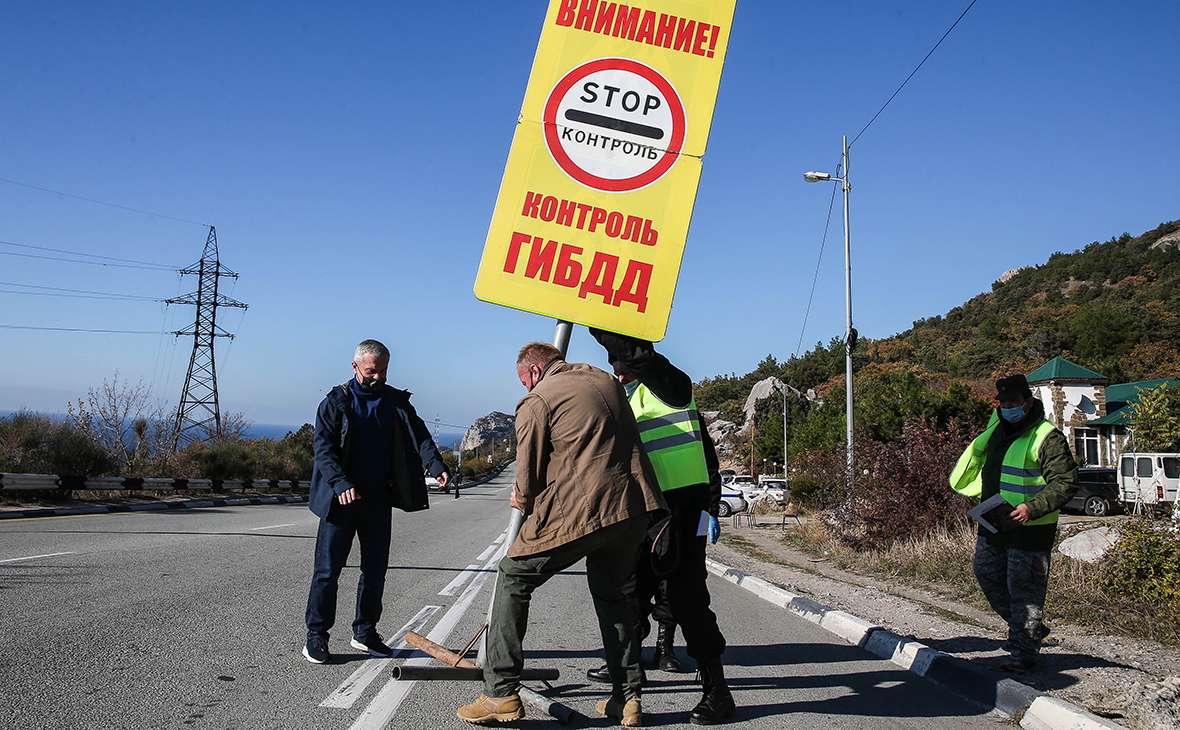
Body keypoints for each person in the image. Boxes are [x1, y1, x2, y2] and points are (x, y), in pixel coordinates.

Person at [457, 342, 667, 727]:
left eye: (524, 382)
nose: (525, 389)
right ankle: (628, 698)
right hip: (635, 507)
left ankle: (501, 693)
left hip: (586, 509)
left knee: (513, 577)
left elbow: (529, 472)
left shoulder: (538, 399)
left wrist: (521, 498)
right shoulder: (604, 379)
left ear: (533, 372)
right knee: (612, 595)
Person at [589, 328, 735, 725]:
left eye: (618, 360)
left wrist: (596, 321)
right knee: (629, 598)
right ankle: (625, 681)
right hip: (641, 513)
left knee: (687, 601)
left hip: (679, 512)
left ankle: (718, 693)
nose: (614, 368)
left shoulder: (671, 386)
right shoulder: (626, 400)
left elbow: (639, 359)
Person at [303, 339, 450, 665]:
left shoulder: (395, 402)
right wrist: (341, 483)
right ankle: (316, 635)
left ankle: (365, 632)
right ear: (355, 367)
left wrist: (436, 465)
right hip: (339, 503)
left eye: (383, 371)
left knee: (375, 572)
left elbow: (420, 434)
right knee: (327, 572)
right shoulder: (335, 403)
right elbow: (324, 449)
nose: (378, 377)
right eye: (372, 371)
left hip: (377, 501)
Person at [950, 374, 1079, 673]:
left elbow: (1066, 482)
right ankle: (1029, 631)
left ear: (1028, 401)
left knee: (1025, 592)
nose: (1007, 406)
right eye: (1003, 402)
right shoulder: (997, 430)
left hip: (1030, 529)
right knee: (987, 574)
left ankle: (1023, 654)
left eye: (1014, 402)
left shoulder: (1048, 437)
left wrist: (1032, 508)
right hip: (995, 521)